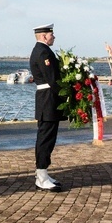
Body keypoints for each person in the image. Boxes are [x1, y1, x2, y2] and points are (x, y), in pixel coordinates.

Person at [30, 23, 64, 191]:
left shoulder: (43, 50)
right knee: (45, 138)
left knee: (48, 138)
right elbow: (52, 79)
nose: (54, 37)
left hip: (48, 99)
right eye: (51, 34)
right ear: (44, 36)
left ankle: (43, 173)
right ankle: (41, 176)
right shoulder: (42, 52)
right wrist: (67, 93)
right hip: (48, 100)